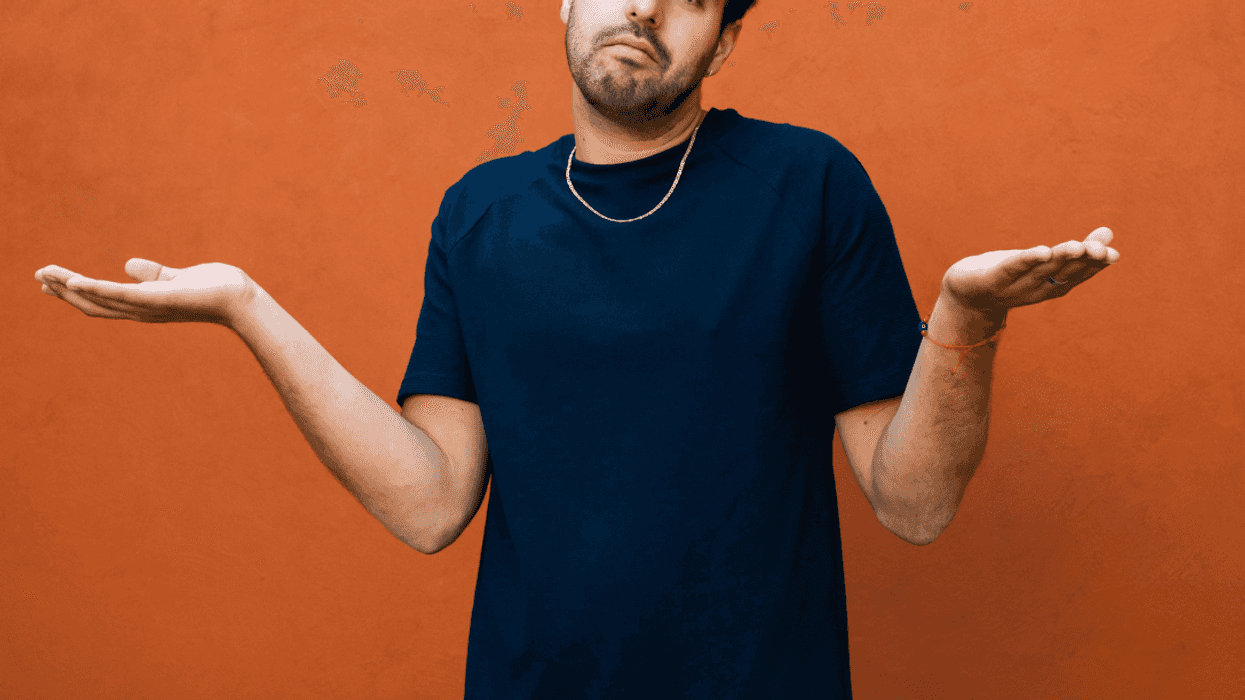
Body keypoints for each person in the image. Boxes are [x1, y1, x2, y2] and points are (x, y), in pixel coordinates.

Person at [34, 0, 1121, 696]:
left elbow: (914, 502)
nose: (643, 7)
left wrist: (968, 326)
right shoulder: (480, 213)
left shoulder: (808, 185)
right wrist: (246, 307)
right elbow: (429, 502)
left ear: (726, 40)